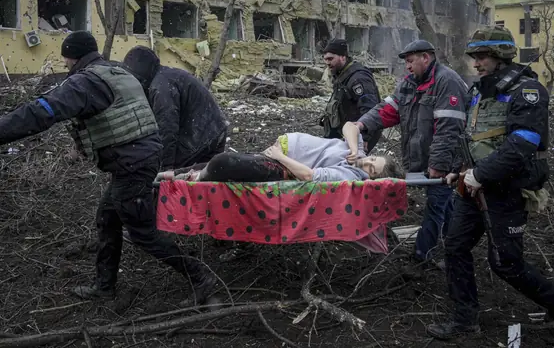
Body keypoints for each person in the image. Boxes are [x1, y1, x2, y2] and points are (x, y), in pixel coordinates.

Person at [0, 31, 216, 305]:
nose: (65, 64)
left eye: (66, 59)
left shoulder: (85, 82)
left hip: (132, 163)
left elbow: (41, 112)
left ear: (71, 56)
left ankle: (200, 277)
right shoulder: (115, 71)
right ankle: (104, 288)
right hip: (139, 157)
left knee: (142, 232)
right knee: (108, 219)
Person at [427, 26, 554, 339]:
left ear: (501, 55)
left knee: (505, 262)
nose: (476, 63)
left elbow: (522, 144)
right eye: (474, 57)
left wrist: (480, 174)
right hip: (472, 187)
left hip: (507, 189)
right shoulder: (480, 91)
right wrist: (459, 169)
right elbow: (474, 138)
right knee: (455, 246)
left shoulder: (527, 91)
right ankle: (465, 320)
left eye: (483, 56)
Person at [355, 39, 468, 266]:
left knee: (436, 205)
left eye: (410, 61)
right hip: (422, 158)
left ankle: (422, 255)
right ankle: (456, 243)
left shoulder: (447, 82)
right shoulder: (409, 83)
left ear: (425, 58)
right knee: (444, 204)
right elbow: (387, 110)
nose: (407, 66)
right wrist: (361, 125)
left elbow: (448, 130)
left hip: (444, 160)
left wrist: (438, 165)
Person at [120, 46, 229, 243]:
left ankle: (146, 230)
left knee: (156, 177)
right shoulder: (165, 77)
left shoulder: (160, 87)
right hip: (212, 131)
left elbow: (167, 129)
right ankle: (215, 230)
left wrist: (165, 167)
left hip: (200, 137)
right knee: (204, 183)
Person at [161, 122, 404, 183]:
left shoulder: (350, 176)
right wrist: (353, 148)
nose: (367, 164)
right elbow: (350, 126)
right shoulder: (357, 154)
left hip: (282, 164)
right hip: (279, 152)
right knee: (216, 162)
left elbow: (309, 176)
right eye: (373, 159)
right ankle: (167, 175)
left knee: (220, 163)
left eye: (373, 169)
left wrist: (279, 156)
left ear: (372, 179)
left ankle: (188, 180)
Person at [320, 38, 382, 152]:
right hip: (346, 132)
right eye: (325, 59)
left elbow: (370, 109)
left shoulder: (358, 78)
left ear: (343, 56)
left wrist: (364, 137)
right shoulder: (342, 75)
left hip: (358, 134)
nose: (327, 63)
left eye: (330, 59)